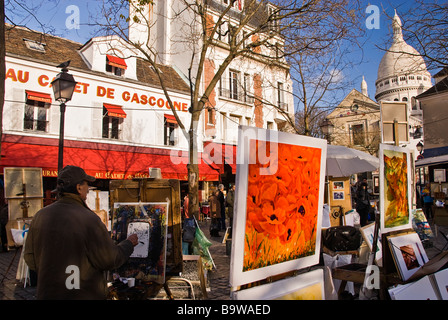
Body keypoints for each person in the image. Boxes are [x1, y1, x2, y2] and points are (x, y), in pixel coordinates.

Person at [24, 165, 138, 300]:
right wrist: (128, 244)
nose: (88, 190)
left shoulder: (40, 216)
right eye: (86, 185)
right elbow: (109, 259)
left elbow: (30, 258)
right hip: (81, 294)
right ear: (78, 188)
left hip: (48, 293)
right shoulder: (88, 219)